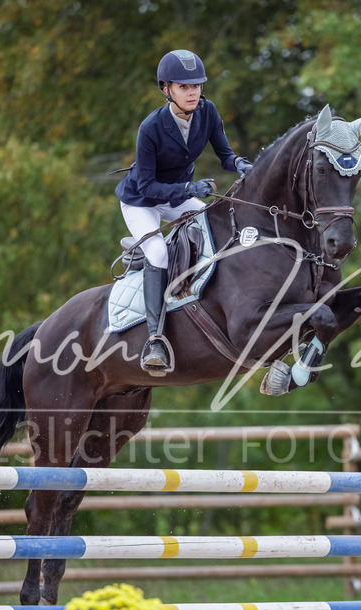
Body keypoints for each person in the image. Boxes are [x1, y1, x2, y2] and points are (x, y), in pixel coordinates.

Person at [116, 49, 253, 376]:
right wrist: (190, 190)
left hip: (178, 195)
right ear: (166, 89)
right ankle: (155, 339)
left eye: (196, 87)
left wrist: (243, 165)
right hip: (141, 200)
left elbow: (225, 155)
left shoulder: (208, 112)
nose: (192, 93)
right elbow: (148, 187)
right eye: (183, 87)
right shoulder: (150, 128)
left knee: (213, 226)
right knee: (159, 251)